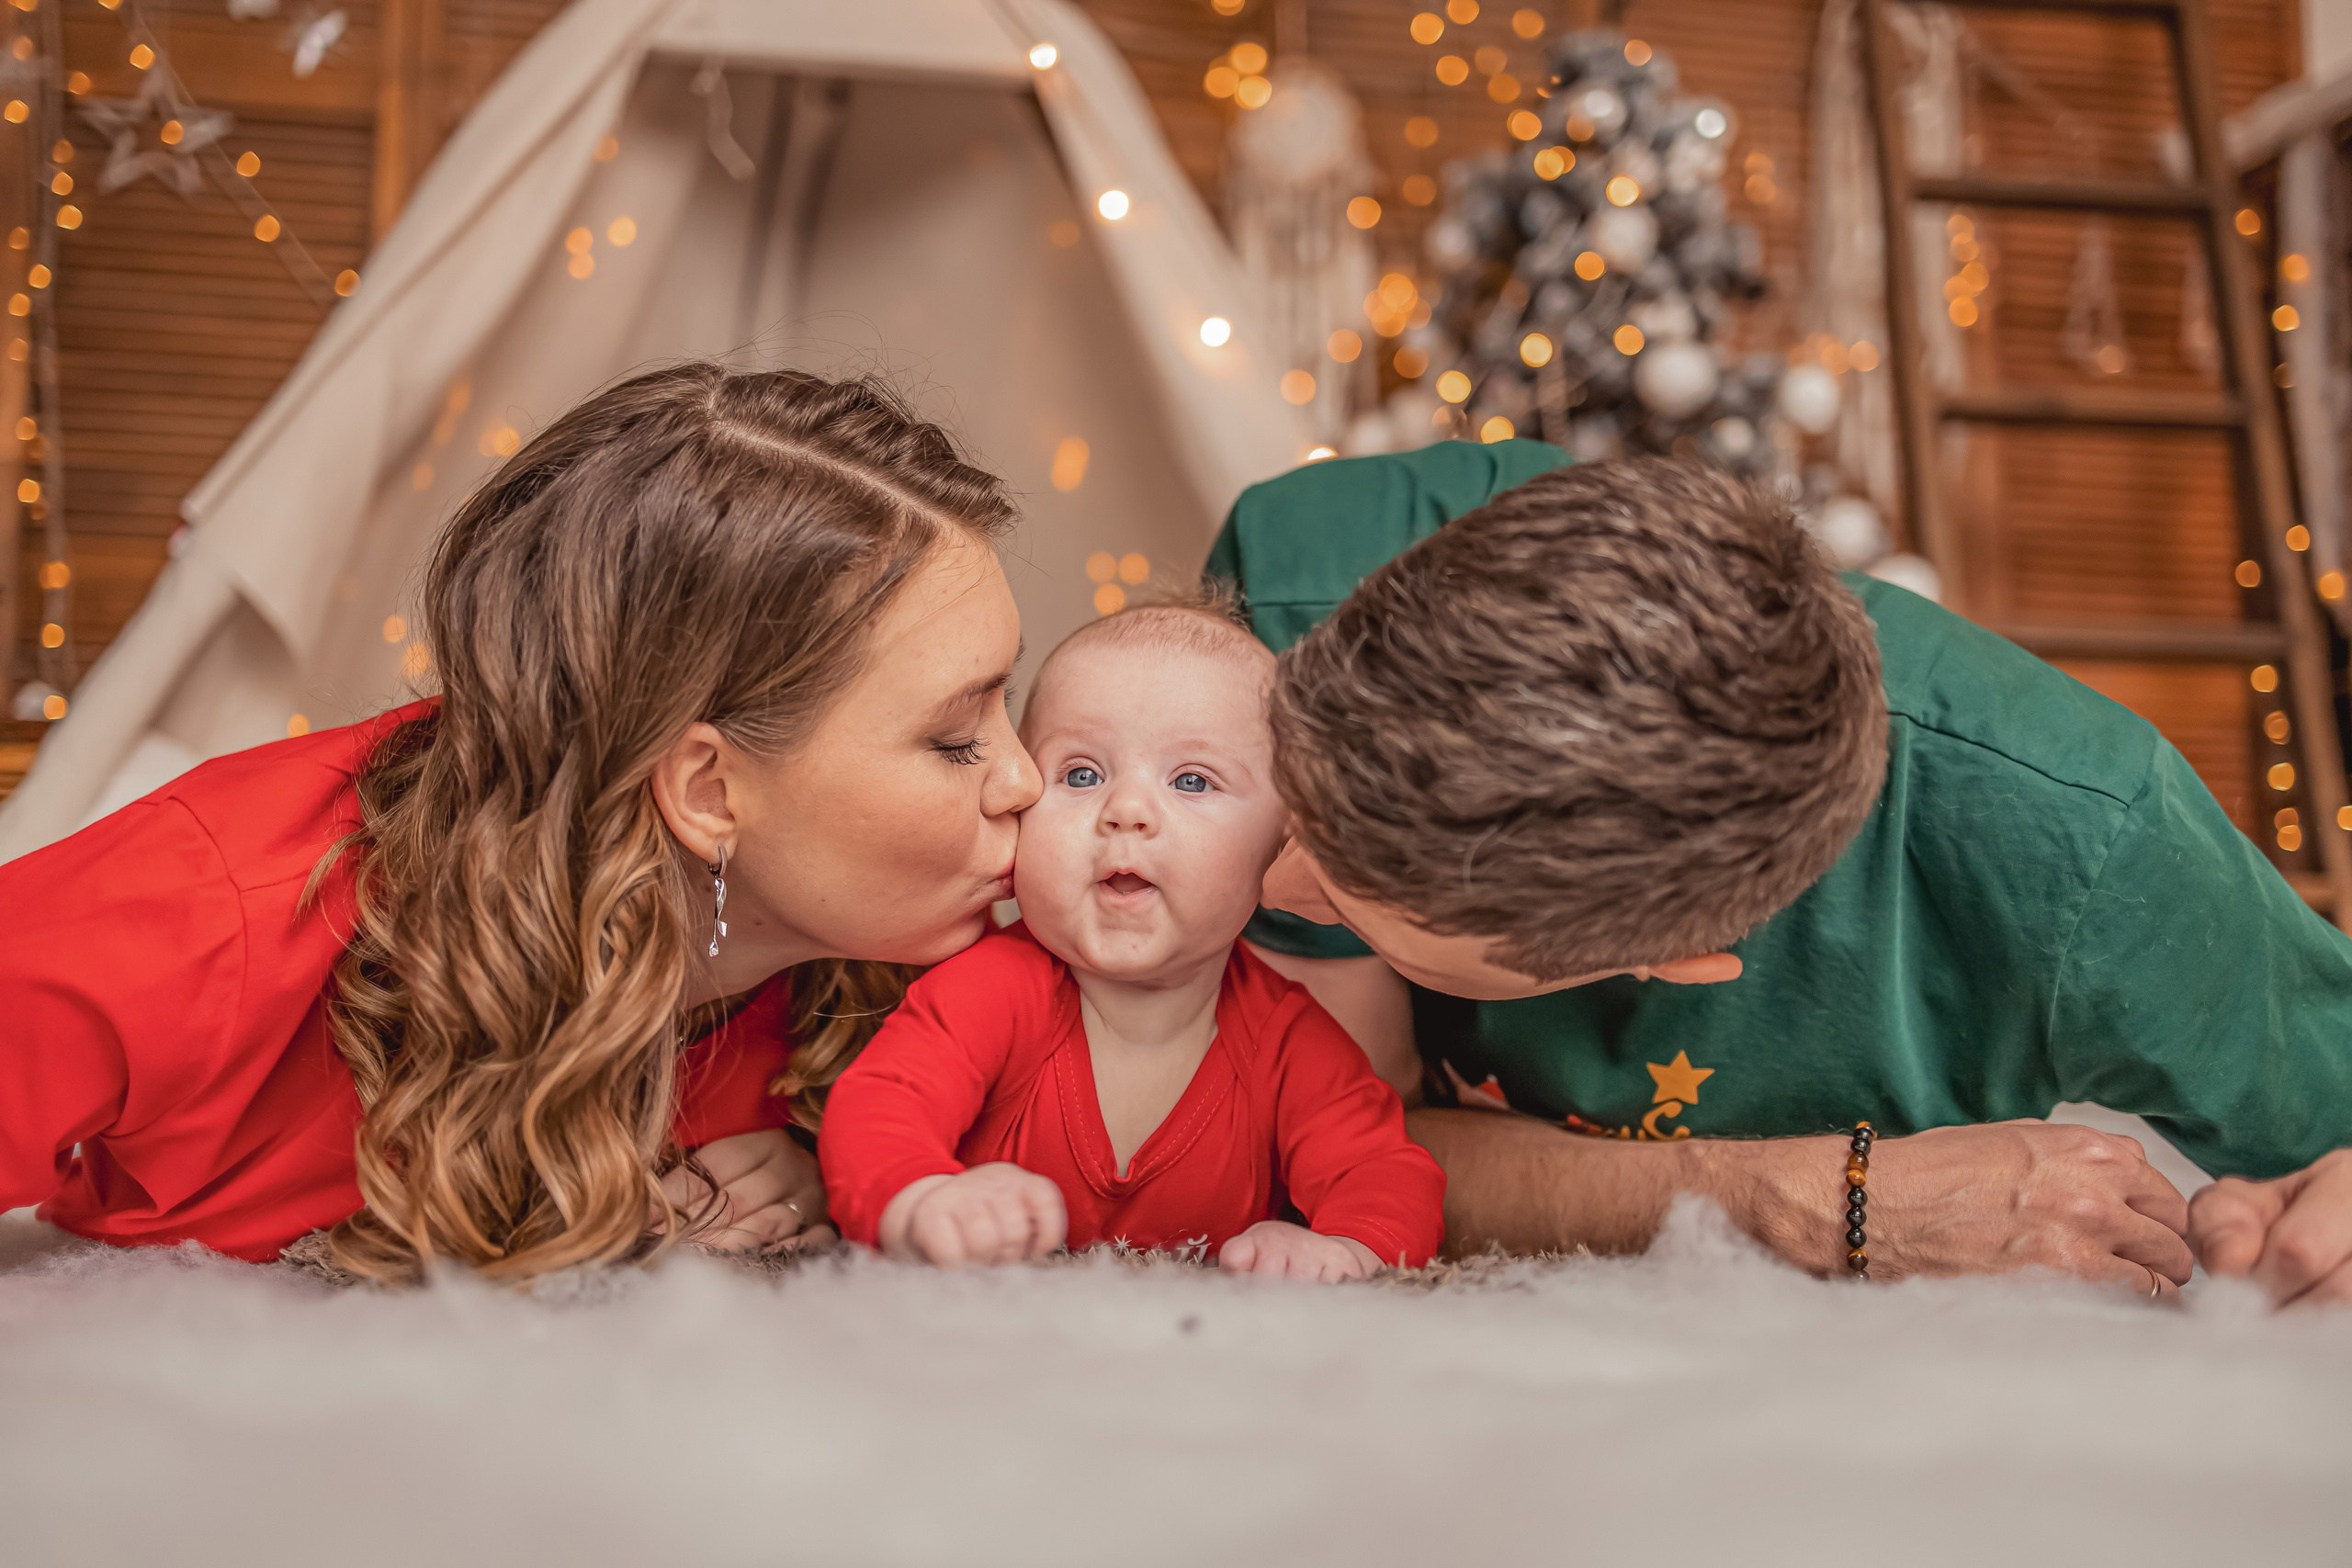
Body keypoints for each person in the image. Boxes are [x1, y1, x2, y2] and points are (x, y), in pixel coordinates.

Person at [1209, 443, 2352, 1306]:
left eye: (1364, 913)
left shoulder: (2096, 850)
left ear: (1674, 961)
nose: (1261, 891)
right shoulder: (1278, 598)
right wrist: (1806, 1202)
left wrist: (2307, 1223)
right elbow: (1320, 1159)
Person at [0, 364, 1042, 1282]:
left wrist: (843, 1163)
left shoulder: (950, 947)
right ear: (709, 794)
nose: (1029, 782)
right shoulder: (205, 911)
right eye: (957, 739)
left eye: (1010, 704)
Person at [821, 598, 1444, 1280]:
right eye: (1082, 774)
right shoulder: (990, 989)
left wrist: (1347, 1249)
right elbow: (882, 1103)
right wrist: (919, 1200)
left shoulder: (1286, 1042)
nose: (1126, 811)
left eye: (1192, 780)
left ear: (1282, 845)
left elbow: (1383, 1170)